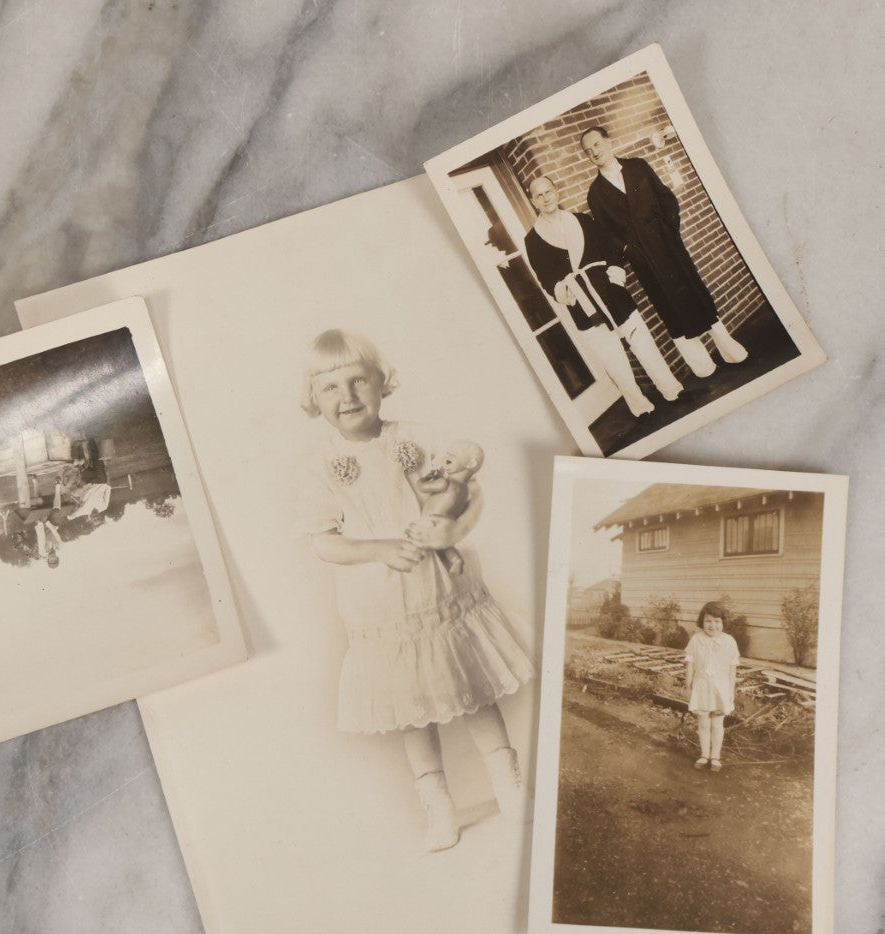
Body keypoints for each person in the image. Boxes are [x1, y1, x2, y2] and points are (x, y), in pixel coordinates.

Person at [296, 329, 532, 852]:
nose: (348, 396)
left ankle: (509, 785)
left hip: (438, 590)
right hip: (381, 607)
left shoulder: (416, 438)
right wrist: (377, 549)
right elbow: (323, 544)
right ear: (314, 398)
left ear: (384, 383)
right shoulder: (318, 465)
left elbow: (457, 496)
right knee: (411, 710)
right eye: (330, 387)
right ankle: (437, 806)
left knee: (473, 690)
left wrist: (449, 529)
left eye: (359, 380)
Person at [581, 126, 748, 376]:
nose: (594, 151)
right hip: (644, 259)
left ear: (608, 142)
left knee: (696, 294)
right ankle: (703, 367)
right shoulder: (595, 194)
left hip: (668, 247)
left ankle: (730, 351)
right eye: (588, 150)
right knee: (669, 308)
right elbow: (606, 235)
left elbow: (666, 198)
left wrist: (670, 231)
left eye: (597, 144)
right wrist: (628, 250)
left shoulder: (638, 166)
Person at [523, 175, 684, 415]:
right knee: (614, 360)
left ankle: (673, 391)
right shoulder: (533, 240)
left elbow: (609, 248)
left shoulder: (582, 220)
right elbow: (546, 280)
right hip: (583, 306)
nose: (546, 198)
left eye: (549, 191)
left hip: (611, 292)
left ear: (557, 192)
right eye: (539, 195)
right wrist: (566, 292)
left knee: (643, 343)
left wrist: (615, 276)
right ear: (534, 201)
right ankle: (641, 409)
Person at [684, 600, 741, 771]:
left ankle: (715, 756)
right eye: (708, 621)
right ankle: (704, 755)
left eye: (717, 621)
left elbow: (732, 670)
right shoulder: (696, 640)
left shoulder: (729, 641)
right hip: (701, 687)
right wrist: (688, 687)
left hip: (721, 689)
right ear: (702, 621)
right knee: (703, 723)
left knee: (717, 723)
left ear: (723, 623)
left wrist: (731, 692)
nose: (712, 625)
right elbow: (690, 664)